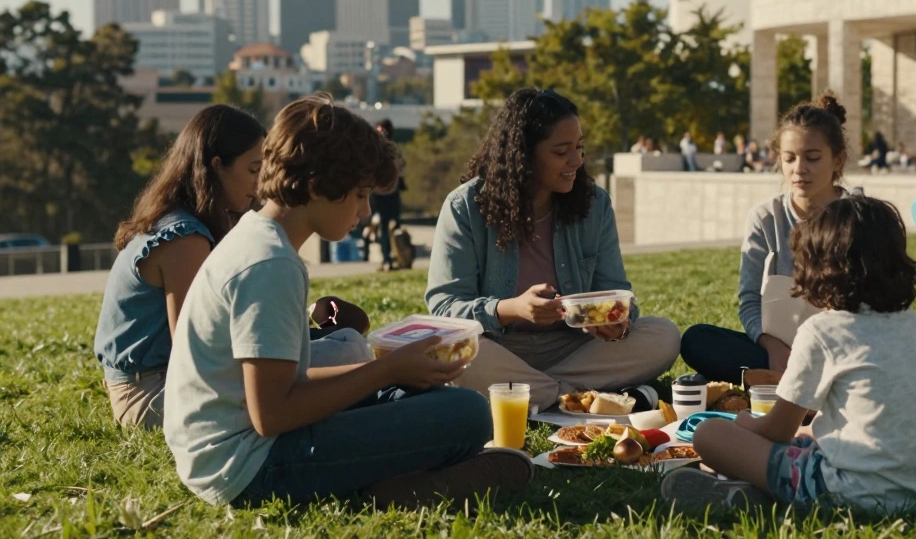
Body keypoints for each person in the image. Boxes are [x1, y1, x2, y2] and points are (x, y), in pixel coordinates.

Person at [163, 96, 532, 507]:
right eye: (359, 194)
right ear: (319, 184)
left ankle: (394, 481)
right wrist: (385, 369)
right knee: (465, 416)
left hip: (236, 449)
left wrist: (392, 372)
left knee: (432, 398)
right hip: (248, 468)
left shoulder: (260, 239)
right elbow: (273, 414)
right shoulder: (269, 264)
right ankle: (397, 491)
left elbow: (285, 386)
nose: (366, 210)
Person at [662, 195, 916, 514]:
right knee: (807, 435)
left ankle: (748, 492)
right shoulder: (908, 320)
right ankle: (745, 488)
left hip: (852, 492)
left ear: (817, 267)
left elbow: (776, 431)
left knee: (709, 434)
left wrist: (743, 422)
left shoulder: (824, 331)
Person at [94, 105, 371, 430]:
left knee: (346, 342)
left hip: (168, 381)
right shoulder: (184, 238)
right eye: (254, 169)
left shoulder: (191, 222)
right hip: (153, 394)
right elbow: (195, 348)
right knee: (349, 352)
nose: (261, 182)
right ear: (216, 167)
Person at [425, 88, 681, 414]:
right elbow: (444, 308)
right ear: (523, 155)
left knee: (664, 335)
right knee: (449, 349)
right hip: (498, 349)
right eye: (561, 152)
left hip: (575, 350)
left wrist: (616, 320)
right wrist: (512, 308)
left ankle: (533, 394)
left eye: (579, 148)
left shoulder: (594, 204)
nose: (577, 161)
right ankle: (573, 395)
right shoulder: (465, 207)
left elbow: (619, 293)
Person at [680, 93, 855, 383]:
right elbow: (749, 299)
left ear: (838, 160)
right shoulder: (765, 218)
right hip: (779, 350)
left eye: (812, 158)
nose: (799, 169)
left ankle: (776, 384)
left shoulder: (860, 215)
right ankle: (783, 379)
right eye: (789, 159)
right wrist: (773, 347)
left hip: (842, 347)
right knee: (697, 340)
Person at [371, 119, 408, 271]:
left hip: (378, 194)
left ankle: (387, 258)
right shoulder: (395, 149)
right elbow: (402, 168)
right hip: (392, 192)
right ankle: (399, 256)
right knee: (395, 226)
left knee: (383, 228)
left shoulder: (373, 150)